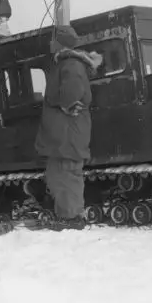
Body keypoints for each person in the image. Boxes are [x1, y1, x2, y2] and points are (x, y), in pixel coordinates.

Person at [34, 26, 102, 231]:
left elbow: (72, 90)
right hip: (65, 132)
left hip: (67, 132)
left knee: (66, 174)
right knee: (61, 174)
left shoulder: (70, 65)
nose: (50, 44)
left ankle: (71, 218)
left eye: (53, 40)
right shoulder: (70, 63)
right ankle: (68, 215)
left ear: (59, 42)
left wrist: (66, 102)